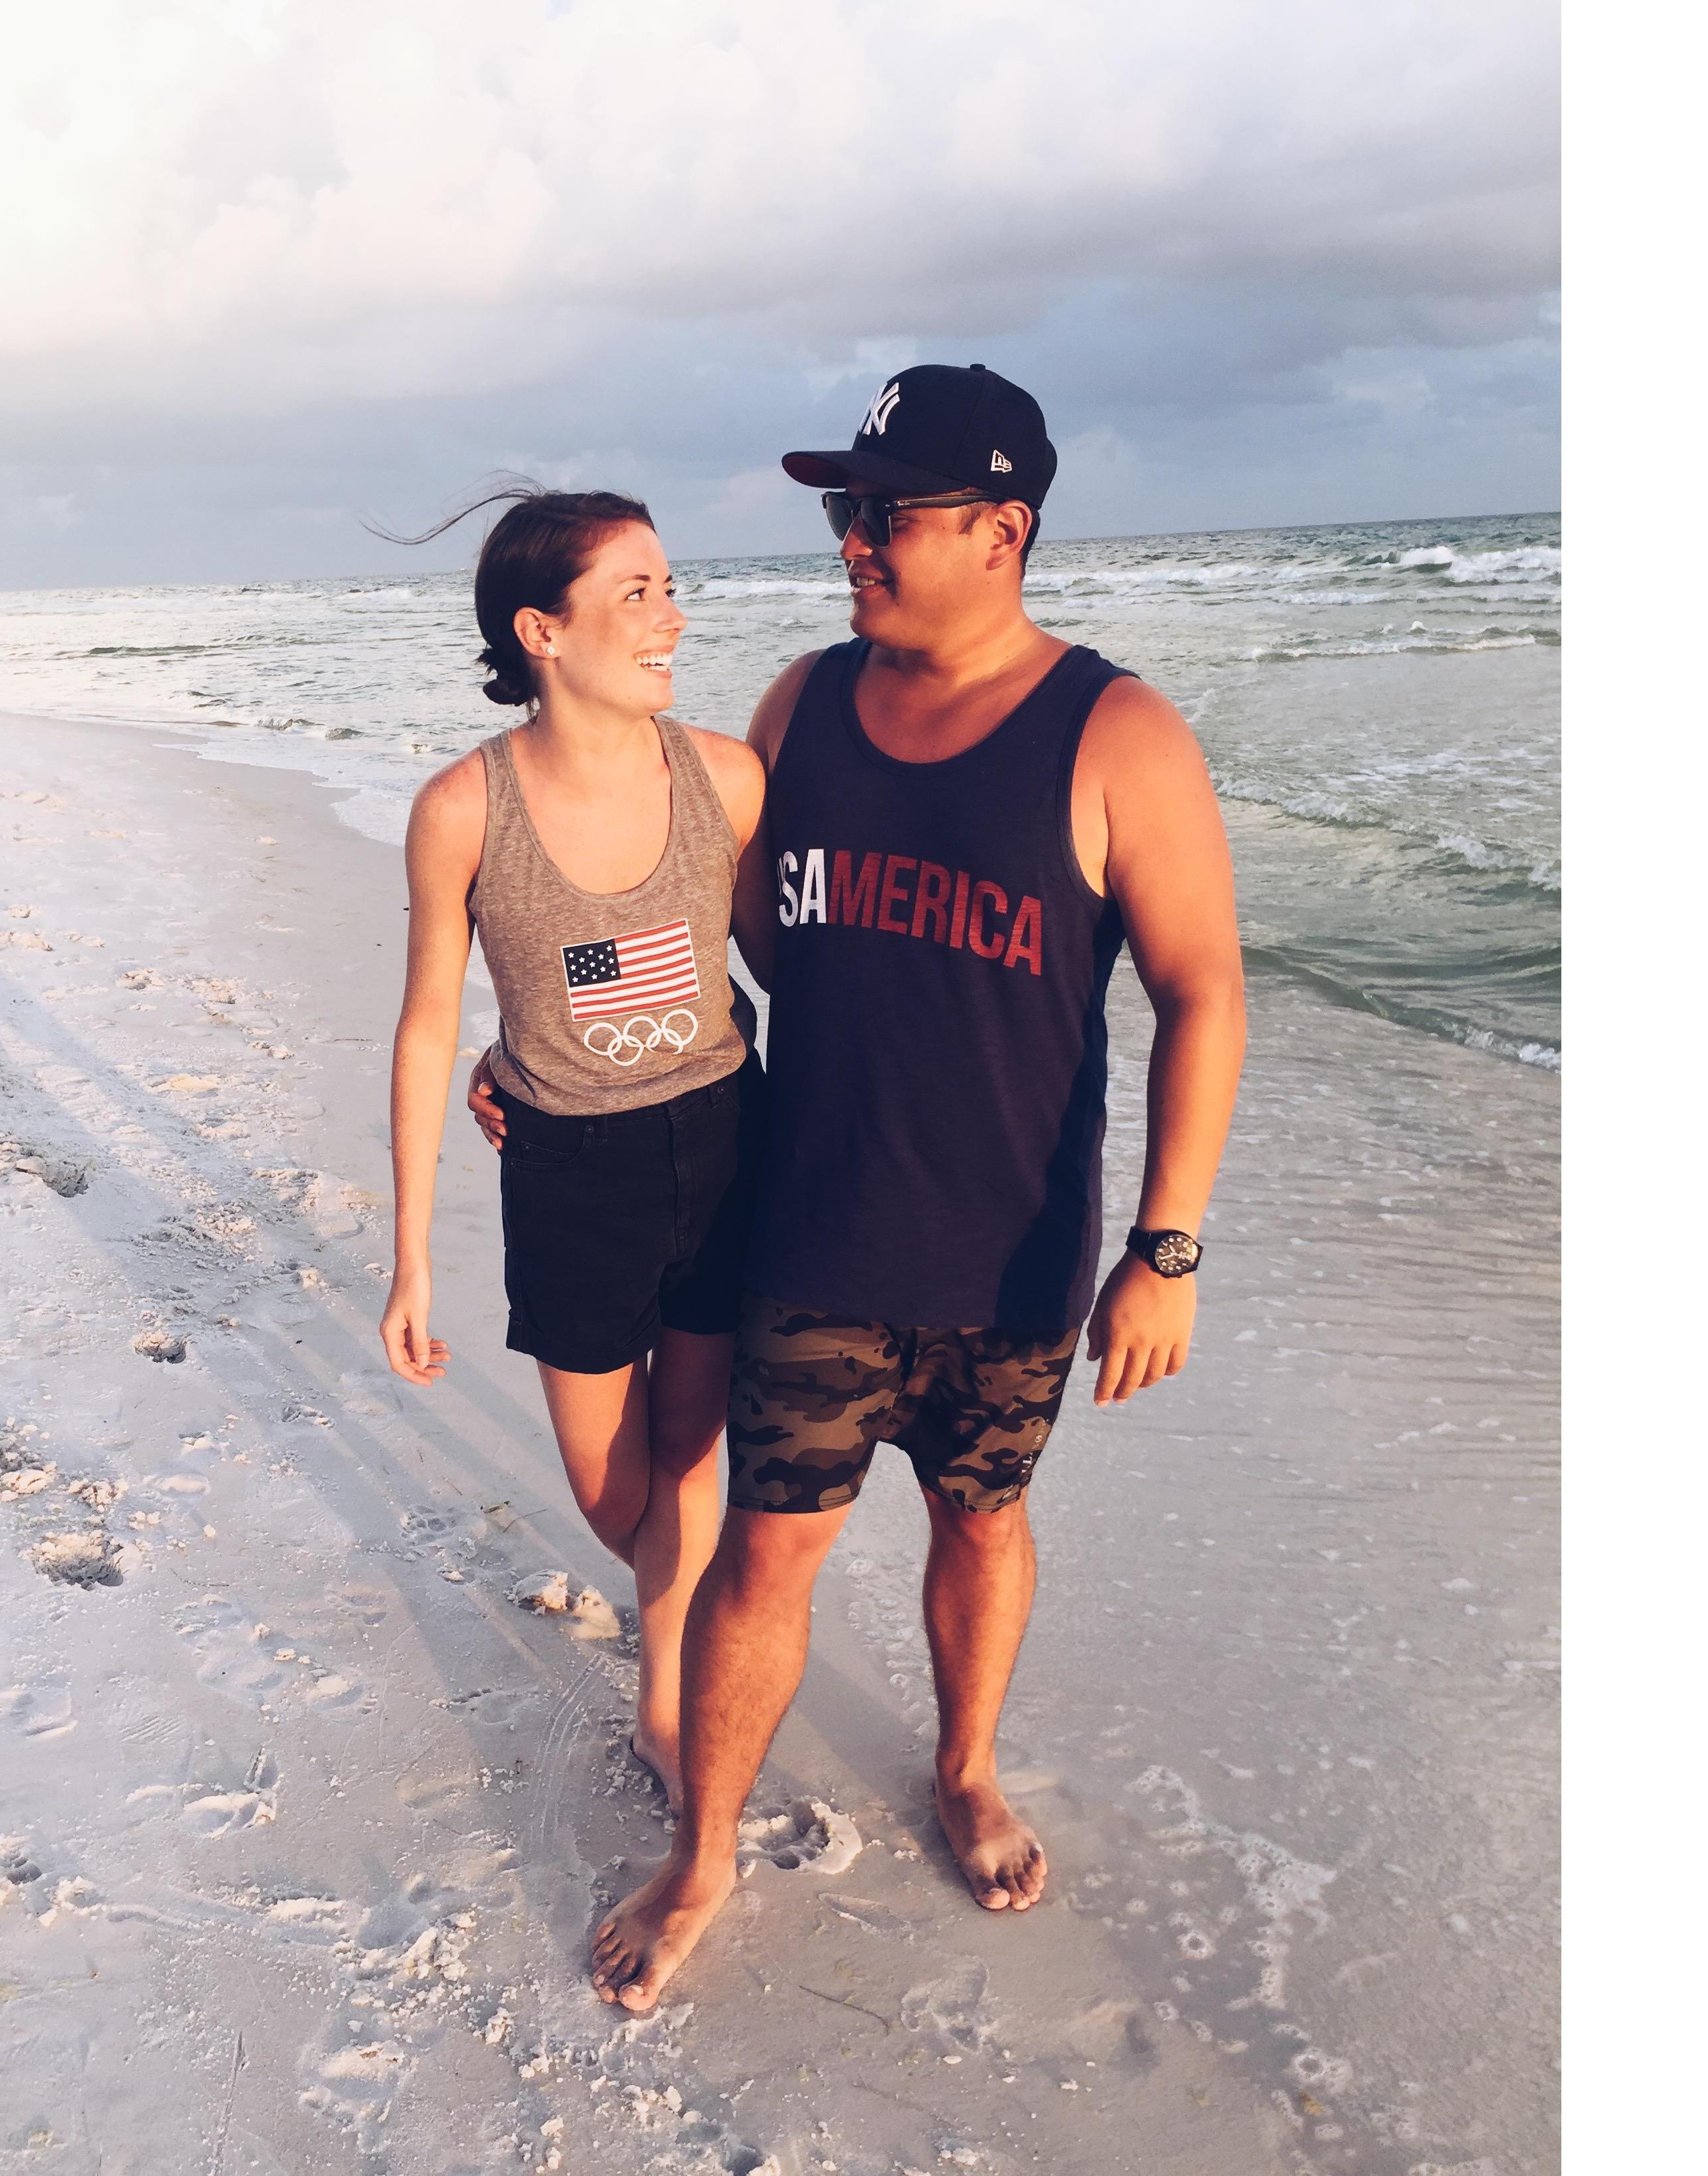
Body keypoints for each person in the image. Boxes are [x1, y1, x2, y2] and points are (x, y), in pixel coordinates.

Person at [549, 365, 1247, 2010]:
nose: (853, 540)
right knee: (767, 1555)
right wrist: (550, 1057)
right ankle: (703, 1856)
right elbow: (697, 919)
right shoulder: (801, 705)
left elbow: (1205, 991)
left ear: (1000, 530)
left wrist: (1168, 1248)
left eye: (887, 514)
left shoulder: (1117, 734)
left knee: (982, 1516)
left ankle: (967, 1770)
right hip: (814, 1235)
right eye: (848, 512)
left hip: (1014, 1259)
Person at [378, 488, 771, 1806]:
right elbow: (429, 1025)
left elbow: (795, 967)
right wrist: (412, 1260)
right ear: (542, 631)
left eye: (670, 588)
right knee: (616, 1495)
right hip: (569, 1175)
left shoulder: (727, 779)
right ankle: (678, 1619)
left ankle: (668, 1702)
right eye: (637, 593)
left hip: (724, 1145)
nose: (673, 617)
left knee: (694, 1455)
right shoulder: (463, 809)